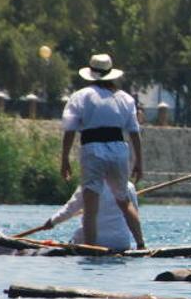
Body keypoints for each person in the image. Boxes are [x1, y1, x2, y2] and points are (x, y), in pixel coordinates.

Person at [61, 53, 145, 250]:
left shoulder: (81, 96)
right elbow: (134, 132)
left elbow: (70, 130)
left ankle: (91, 248)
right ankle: (141, 244)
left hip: (93, 148)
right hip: (118, 149)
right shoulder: (125, 98)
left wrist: (64, 159)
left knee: (91, 205)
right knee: (124, 200)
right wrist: (139, 162)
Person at [38, 182, 140, 251]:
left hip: (94, 244)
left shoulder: (88, 185)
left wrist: (51, 221)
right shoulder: (129, 186)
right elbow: (134, 215)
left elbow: (68, 210)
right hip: (122, 243)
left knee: (75, 238)